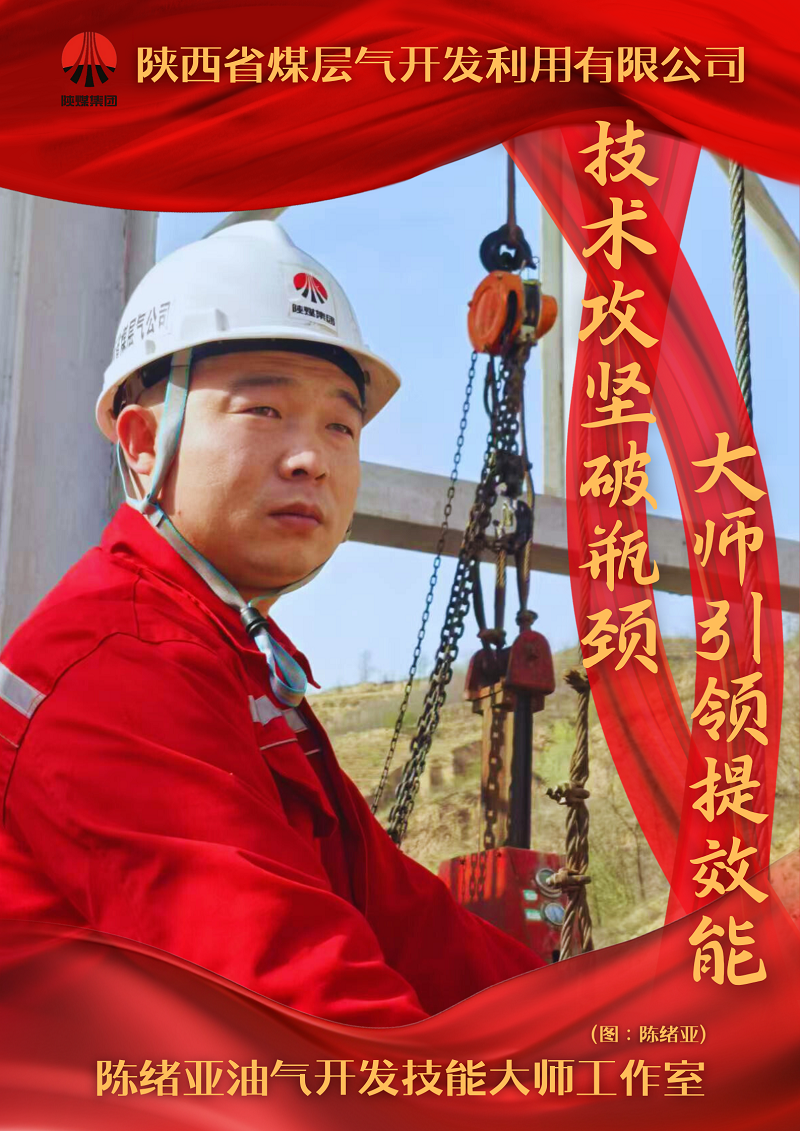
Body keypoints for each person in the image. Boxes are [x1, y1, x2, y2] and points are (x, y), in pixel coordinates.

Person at [0, 220, 543, 1026]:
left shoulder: (238, 663)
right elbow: (311, 1013)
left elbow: (415, 928)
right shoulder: (115, 668)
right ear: (144, 442)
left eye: (339, 426)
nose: (311, 458)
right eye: (263, 410)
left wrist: (609, 1026)